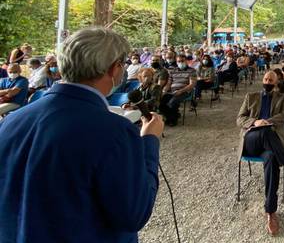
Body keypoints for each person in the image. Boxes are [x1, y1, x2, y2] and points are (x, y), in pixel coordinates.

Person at [0, 27, 163, 242]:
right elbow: (134, 213)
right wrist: (150, 142)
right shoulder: (113, 130)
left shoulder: (12, 120)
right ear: (114, 69)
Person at [236, 71, 284, 236]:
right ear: (263, 80)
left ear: (276, 83)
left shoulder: (282, 98)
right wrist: (256, 122)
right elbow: (240, 119)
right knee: (265, 132)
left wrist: (266, 122)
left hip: (271, 145)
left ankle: (270, 211)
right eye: (266, 79)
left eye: (271, 80)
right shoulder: (251, 96)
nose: (267, 81)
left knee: (271, 159)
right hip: (251, 140)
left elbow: (283, 117)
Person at [160, 54, 196, 126]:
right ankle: (172, 116)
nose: (180, 63)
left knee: (172, 102)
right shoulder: (173, 70)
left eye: (182, 61)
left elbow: (192, 85)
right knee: (160, 101)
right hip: (172, 91)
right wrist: (164, 91)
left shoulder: (192, 71)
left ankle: (173, 120)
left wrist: (181, 91)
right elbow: (169, 83)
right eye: (178, 61)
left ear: (186, 61)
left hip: (185, 91)